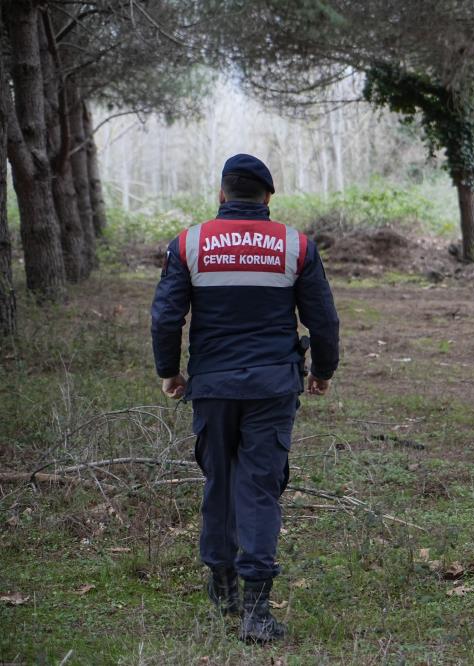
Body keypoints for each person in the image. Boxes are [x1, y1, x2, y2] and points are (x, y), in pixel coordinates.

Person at [150, 154, 340, 642]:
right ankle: (257, 610)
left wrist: (170, 372)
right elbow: (323, 320)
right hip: (272, 387)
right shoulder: (296, 246)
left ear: (221, 194)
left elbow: (166, 318)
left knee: (219, 481)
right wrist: (323, 371)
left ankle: (223, 587)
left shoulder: (189, 244)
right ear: (268, 198)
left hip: (212, 387)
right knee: (258, 487)